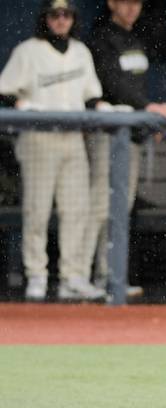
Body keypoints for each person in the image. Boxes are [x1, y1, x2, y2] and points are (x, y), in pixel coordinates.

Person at [0, 0, 107, 302]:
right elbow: (5, 91)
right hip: (39, 138)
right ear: (45, 19)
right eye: (55, 15)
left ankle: (72, 276)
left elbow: (91, 97)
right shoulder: (27, 51)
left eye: (66, 15)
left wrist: (106, 108)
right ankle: (36, 274)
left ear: (73, 19)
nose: (61, 20)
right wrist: (23, 105)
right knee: (38, 209)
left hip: (72, 138)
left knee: (77, 209)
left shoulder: (81, 52)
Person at [86, 0, 166, 297]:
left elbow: (136, 86)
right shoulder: (101, 37)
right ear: (111, 3)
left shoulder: (135, 37)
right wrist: (147, 108)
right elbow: (112, 83)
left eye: (136, 3)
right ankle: (90, 277)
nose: (132, 8)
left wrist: (146, 118)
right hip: (109, 133)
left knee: (122, 206)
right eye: (125, 2)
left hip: (131, 134)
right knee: (100, 205)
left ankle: (111, 275)